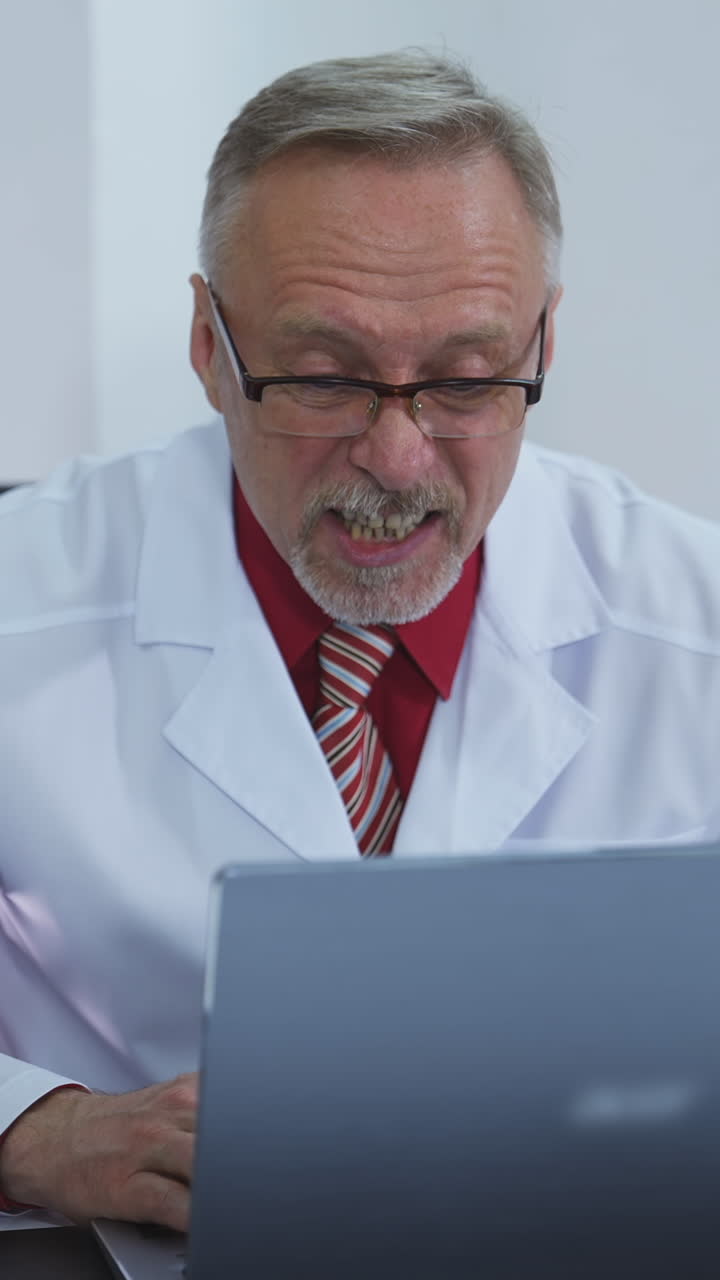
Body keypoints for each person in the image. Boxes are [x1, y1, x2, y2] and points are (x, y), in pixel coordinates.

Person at [0, 49, 719, 1233]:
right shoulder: (28, 598)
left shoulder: (692, 624)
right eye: (324, 380)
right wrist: (37, 1125)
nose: (396, 456)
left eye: (465, 381)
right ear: (207, 343)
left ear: (544, 342)